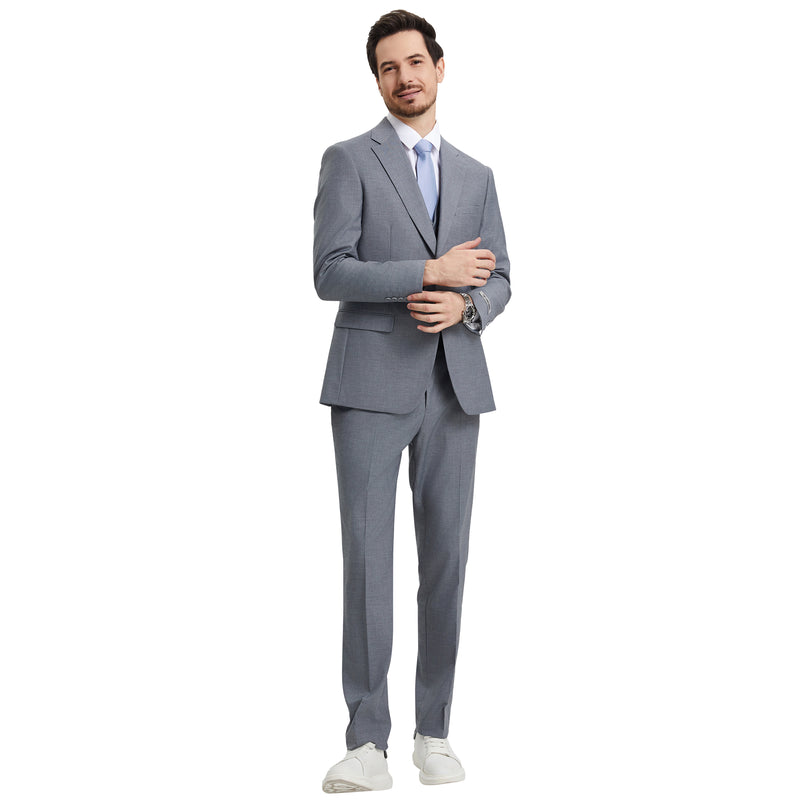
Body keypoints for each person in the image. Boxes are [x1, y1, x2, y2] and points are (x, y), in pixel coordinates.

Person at [314, 9, 511, 793]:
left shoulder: (476, 175)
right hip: (368, 386)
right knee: (368, 561)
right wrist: (428, 274)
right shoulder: (347, 160)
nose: (405, 77)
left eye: (415, 62)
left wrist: (467, 305)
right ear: (377, 80)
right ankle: (368, 742)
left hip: (454, 386)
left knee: (447, 562)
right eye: (389, 67)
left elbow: (500, 278)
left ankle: (435, 732)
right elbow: (330, 271)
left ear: (439, 66)